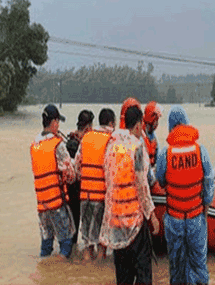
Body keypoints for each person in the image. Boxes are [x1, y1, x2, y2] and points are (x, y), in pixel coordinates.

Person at [99, 106, 160, 285]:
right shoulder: (137, 147)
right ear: (139, 124)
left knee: (123, 276)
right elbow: (142, 185)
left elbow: (108, 178)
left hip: (115, 221)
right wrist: (152, 216)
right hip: (134, 221)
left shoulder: (111, 145)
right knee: (143, 273)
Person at [156, 105, 215, 285]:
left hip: (174, 219)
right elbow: (209, 180)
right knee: (198, 264)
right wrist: (206, 204)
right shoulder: (200, 150)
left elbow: (161, 180)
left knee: (176, 265)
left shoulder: (165, 153)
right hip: (195, 217)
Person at [30, 104, 77, 260]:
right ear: (54, 122)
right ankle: (59, 272)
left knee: (46, 244)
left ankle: (44, 270)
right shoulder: (58, 144)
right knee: (66, 243)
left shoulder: (34, 145)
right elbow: (70, 174)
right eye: (58, 122)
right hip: (57, 203)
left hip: (41, 204)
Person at [74, 108, 115, 261]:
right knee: (102, 245)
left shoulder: (86, 138)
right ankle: (99, 276)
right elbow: (113, 170)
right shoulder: (111, 139)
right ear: (111, 123)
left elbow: (76, 167)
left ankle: (86, 275)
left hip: (84, 196)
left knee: (87, 243)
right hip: (101, 198)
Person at [65, 109, 95, 248]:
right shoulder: (85, 144)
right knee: (89, 233)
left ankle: (71, 255)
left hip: (70, 194)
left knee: (73, 231)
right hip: (83, 193)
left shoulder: (69, 141)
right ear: (88, 127)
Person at [119, 97, 157, 187]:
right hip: (132, 195)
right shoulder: (138, 146)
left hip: (116, 195)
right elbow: (146, 178)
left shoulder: (114, 142)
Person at [143, 101, 164, 168]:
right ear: (152, 119)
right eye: (156, 120)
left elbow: (158, 156)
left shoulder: (152, 134)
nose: (157, 123)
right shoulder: (141, 136)